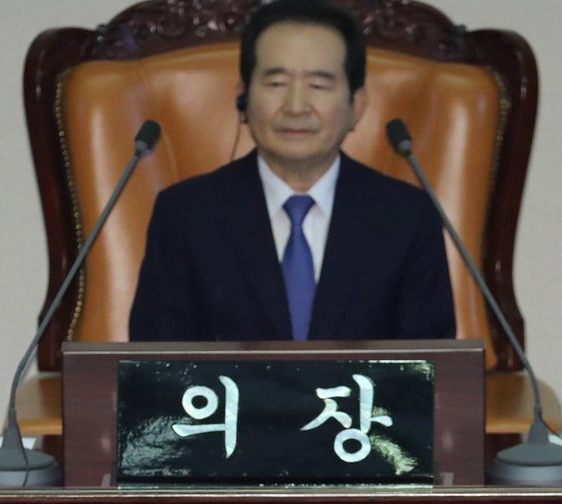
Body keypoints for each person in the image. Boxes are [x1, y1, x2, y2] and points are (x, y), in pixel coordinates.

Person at [128, 0, 456, 342]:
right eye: (276, 84)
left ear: (356, 106)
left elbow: (431, 371)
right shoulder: (185, 215)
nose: (296, 106)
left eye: (318, 85)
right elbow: (155, 369)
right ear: (242, 98)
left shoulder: (407, 218)